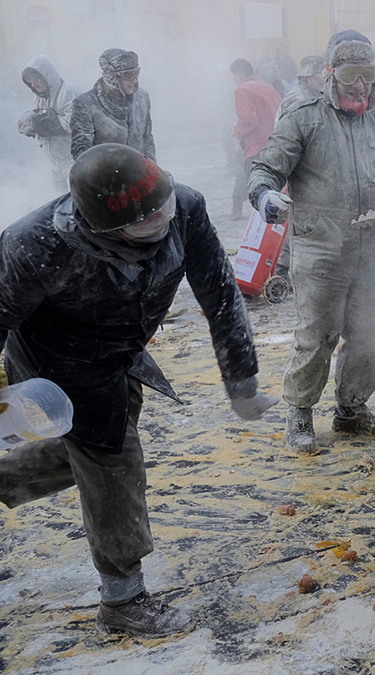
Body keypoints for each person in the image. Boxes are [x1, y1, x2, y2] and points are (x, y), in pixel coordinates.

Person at [0, 143, 277, 638]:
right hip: (57, 362)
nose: (161, 223)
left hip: (123, 347)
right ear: (100, 227)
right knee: (112, 460)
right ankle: (123, 602)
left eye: (163, 210)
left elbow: (218, 288)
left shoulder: (185, 207)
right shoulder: (35, 245)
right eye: (143, 224)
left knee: (81, 455)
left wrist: (242, 380)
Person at [248, 29, 375, 457]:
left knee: (368, 334)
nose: (361, 84)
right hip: (320, 246)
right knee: (317, 335)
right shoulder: (304, 118)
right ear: (331, 72)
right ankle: (299, 413)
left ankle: (352, 410)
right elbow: (266, 168)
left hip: (372, 246)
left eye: (368, 74)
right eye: (352, 73)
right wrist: (265, 195)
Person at [70, 48, 155, 160]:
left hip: (138, 172)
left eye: (136, 73)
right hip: (105, 173)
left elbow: (147, 141)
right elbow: (82, 150)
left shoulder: (142, 98)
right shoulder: (85, 104)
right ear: (111, 77)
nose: (134, 81)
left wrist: (153, 171)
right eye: (129, 75)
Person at [229, 58, 281, 221]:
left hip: (257, 146)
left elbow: (249, 121)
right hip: (276, 143)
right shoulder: (267, 86)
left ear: (237, 74)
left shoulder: (242, 90)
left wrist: (236, 130)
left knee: (256, 187)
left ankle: (261, 228)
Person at [17, 55, 78, 188]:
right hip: (54, 163)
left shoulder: (67, 92)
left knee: (74, 199)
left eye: (36, 79)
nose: (34, 84)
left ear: (48, 76)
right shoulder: (40, 97)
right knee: (58, 201)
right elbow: (41, 120)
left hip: (72, 160)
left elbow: (74, 121)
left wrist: (43, 123)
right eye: (30, 81)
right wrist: (31, 125)